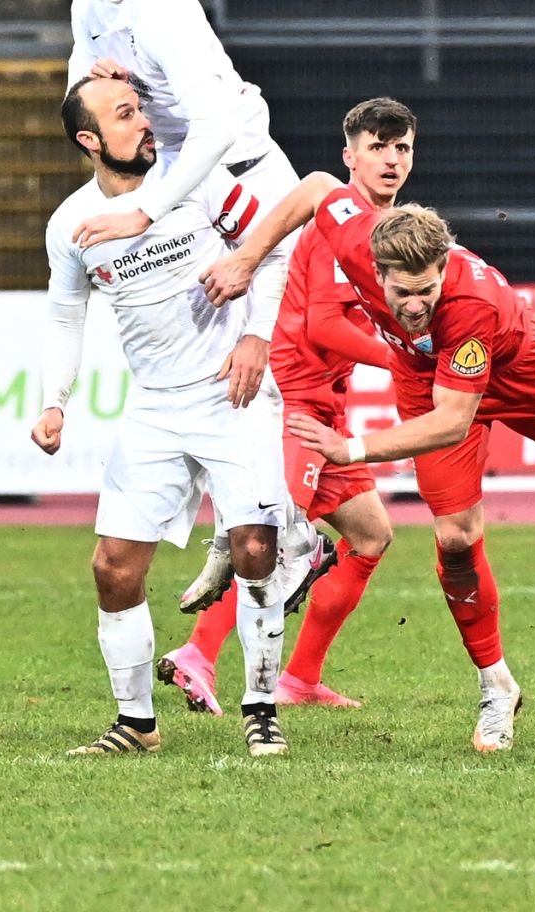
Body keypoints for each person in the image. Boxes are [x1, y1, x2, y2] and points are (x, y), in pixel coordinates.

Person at [200, 166, 535, 753]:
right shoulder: (356, 239)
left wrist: (354, 449)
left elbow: (453, 422)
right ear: (376, 273)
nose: (417, 304)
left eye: (429, 288)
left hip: (520, 368)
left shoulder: (468, 307)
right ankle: (496, 685)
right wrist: (247, 257)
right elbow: (319, 186)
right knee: (455, 538)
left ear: (444, 269)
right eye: (404, 293)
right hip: (428, 380)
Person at [65, 0, 324, 610]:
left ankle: (292, 539)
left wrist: (146, 211)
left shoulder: (169, 13)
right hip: (181, 174)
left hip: (239, 169)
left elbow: (211, 129)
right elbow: (77, 86)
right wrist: (92, 77)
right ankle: (238, 532)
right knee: (204, 363)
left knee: (259, 357)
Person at [34, 75, 296, 756]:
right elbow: (66, 317)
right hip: (154, 407)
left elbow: (273, 248)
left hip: (233, 395)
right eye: (125, 115)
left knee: (254, 547)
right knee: (113, 567)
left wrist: (255, 335)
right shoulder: (71, 225)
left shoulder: (196, 179)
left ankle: (261, 704)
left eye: (140, 109)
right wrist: (52, 403)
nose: (143, 122)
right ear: (90, 140)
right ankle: (137, 724)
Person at [157, 98, 416, 716]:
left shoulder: (386, 226)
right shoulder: (341, 221)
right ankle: (198, 654)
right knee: (269, 539)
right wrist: (404, 359)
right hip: (294, 399)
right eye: (377, 147)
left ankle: (300, 678)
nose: (391, 159)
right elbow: (325, 324)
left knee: (371, 536)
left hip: (326, 406)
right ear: (349, 156)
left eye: (401, 147)